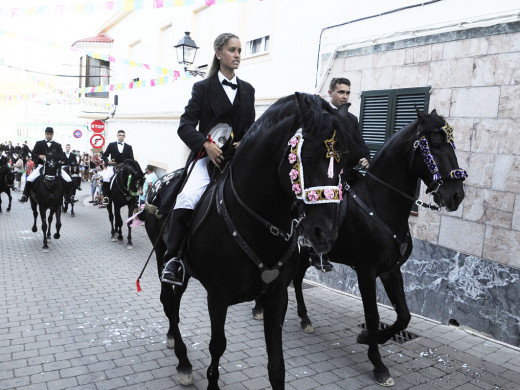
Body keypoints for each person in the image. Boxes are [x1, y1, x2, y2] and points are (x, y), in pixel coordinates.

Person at [161, 32, 256, 285]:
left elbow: (250, 128)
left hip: (237, 160)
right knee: (188, 197)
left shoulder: (248, 90)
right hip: (206, 159)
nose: (237, 55)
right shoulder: (202, 88)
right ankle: (174, 259)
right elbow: (185, 125)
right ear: (218, 53)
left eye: (239, 51)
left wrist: (243, 141)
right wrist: (205, 144)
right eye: (232, 50)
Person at [19, 127, 73, 203]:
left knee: (68, 179)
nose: (49, 136)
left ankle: (69, 197)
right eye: (48, 134)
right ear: (45, 134)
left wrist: (58, 159)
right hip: (42, 166)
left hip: (54, 167)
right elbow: (33, 153)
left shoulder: (58, 145)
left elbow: (62, 156)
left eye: (51, 134)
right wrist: (39, 156)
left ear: (53, 135)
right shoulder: (39, 143)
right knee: (29, 178)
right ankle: (25, 195)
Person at [101, 130, 134, 204]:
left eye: (122, 135)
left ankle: (133, 196)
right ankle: (106, 196)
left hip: (124, 166)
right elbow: (104, 155)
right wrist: (108, 162)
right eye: (120, 135)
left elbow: (131, 158)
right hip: (113, 166)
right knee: (106, 177)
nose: (121, 137)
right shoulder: (111, 145)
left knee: (133, 177)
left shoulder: (129, 147)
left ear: (125, 136)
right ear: (117, 136)